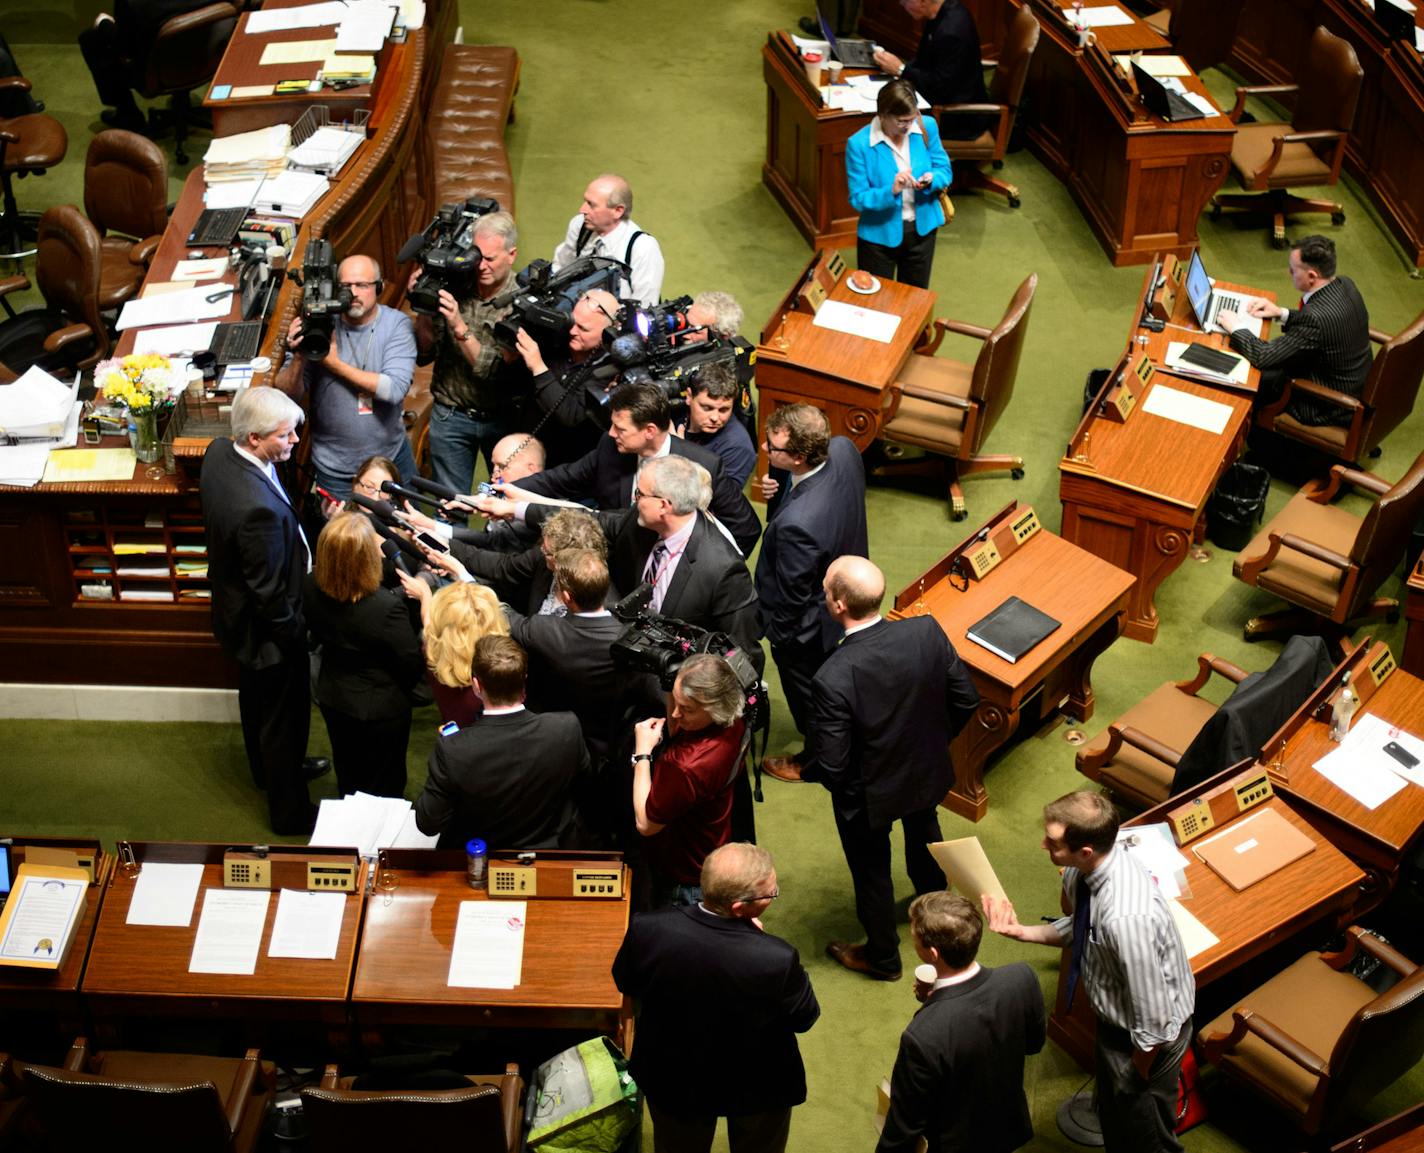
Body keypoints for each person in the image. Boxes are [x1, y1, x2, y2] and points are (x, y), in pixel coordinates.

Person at [983, 790, 1194, 1153]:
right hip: (1117, 1022)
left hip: (1146, 1041)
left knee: (1144, 1137)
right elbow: (1081, 928)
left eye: (1052, 843)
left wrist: (1135, 1075)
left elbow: (1155, 1022)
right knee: (1115, 1121)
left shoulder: (1127, 919)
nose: (1042, 845)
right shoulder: (1084, 871)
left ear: (1084, 851)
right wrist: (1021, 932)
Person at [805, 556, 979, 981]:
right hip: (924, 770)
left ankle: (883, 958)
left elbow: (831, 763)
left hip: (869, 795)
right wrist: (932, 744)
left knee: (871, 873)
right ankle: (938, 913)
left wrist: (855, 787)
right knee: (925, 836)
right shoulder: (926, 630)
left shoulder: (833, 676)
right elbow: (966, 700)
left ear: (839, 605)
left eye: (827, 588)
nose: (824, 593)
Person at [612, 843, 820, 1153]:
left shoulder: (648, 927)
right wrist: (757, 939)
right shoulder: (775, 957)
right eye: (771, 893)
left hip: (674, 1074)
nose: (774, 894)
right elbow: (805, 1017)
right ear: (739, 908)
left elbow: (625, 980)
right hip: (757, 1084)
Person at [199, 387, 316, 835]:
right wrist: (296, 635)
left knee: (255, 704)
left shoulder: (217, 452)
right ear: (252, 438)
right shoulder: (256, 511)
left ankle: (266, 773)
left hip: (236, 617)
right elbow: (269, 596)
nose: (293, 443)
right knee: (282, 721)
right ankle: (290, 811)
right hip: (268, 633)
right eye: (285, 437)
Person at [511, 380, 762, 556]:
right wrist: (504, 489)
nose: (611, 433)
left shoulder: (701, 465)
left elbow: (746, 528)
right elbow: (563, 478)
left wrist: (710, 569)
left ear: (649, 431)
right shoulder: (610, 447)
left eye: (621, 429)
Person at [876, 892, 1046, 1153]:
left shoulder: (922, 1036)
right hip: (1008, 1126)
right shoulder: (1022, 978)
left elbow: (905, 1126)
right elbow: (1033, 1044)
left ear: (933, 953)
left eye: (914, 939)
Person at [754, 404, 868, 781]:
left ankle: (814, 761)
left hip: (808, 628)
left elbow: (794, 595)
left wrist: (781, 638)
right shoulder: (844, 449)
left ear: (800, 456)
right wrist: (780, 486)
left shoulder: (797, 525)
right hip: (845, 583)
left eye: (774, 448)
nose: (767, 450)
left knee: (810, 698)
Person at [414, 635, 589, 849]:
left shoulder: (453, 749)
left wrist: (456, 750)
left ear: (476, 685)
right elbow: (586, 792)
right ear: (524, 679)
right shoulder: (566, 728)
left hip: (480, 856)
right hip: (549, 850)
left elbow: (428, 822)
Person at [274, 253, 418, 499]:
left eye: (362, 285)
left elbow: (393, 389)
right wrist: (300, 355)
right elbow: (286, 395)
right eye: (345, 286)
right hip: (337, 470)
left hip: (390, 459)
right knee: (345, 538)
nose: (352, 293)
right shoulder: (319, 322)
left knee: (405, 530)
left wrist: (332, 363)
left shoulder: (396, 325)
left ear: (379, 287)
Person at [304, 512, 425, 798]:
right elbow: (411, 662)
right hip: (381, 709)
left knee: (349, 775)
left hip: (334, 696)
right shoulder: (385, 609)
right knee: (386, 781)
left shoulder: (309, 584)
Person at [411, 210, 525, 492]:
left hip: (502, 418)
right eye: (477, 256)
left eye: (490, 259)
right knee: (449, 506)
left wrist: (458, 325)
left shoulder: (521, 302)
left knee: (506, 502)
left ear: (511, 255)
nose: (481, 266)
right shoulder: (455, 286)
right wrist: (423, 307)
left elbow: (492, 368)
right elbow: (425, 353)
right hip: (451, 413)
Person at [1217, 234, 1372, 427]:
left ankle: (1253, 436)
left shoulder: (1315, 319)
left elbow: (1262, 356)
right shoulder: (1345, 284)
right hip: (1352, 383)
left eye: (1293, 270)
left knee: (1247, 377)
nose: (1289, 272)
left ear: (1312, 276)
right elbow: (1324, 327)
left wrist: (1235, 326)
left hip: (1327, 404)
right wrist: (1280, 313)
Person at [632, 653, 749, 906]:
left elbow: (645, 823)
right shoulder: (736, 717)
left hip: (684, 879)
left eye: (687, 709)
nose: (674, 714)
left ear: (715, 707)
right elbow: (678, 725)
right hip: (711, 846)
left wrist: (641, 754)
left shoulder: (685, 765)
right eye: (675, 697)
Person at [505, 547, 626, 764]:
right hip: (611, 739)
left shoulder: (546, 630)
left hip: (557, 738)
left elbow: (508, 618)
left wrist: (465, 577)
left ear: (567, 597)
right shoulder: (628, 633)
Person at [845, 78, 952, 290]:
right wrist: (891, 191)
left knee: (914, 298)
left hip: (922, 232)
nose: (907, 126)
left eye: (911, 119)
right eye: (901, 121)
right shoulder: (858, 144)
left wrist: (932, 179)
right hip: (878, 237)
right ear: (883, 115)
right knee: (876, 302)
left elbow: (944, 170)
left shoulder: (925, 126)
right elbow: (858, 199)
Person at [513, 288, 618, 464]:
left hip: (566, 466)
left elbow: (572, 415)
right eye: (572, 322)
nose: (572, 331)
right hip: (525, 451)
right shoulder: (557, 339)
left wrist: (538, 366)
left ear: (608, 333)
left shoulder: (610, 370)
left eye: (583, 328)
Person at [871, 1, 992, 139]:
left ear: (922, 1)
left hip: (956, 116)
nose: (902, 5)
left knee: (886, 118)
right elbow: (923, 60)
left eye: (905, 2)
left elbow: (941, 88)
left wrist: (901, 69)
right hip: (942, 97)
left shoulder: (951, 31)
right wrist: (897, 69)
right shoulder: (938, 15)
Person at [78, 1, 206, 131]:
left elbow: (125, 50)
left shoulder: (130, 3)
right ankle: (183, 96)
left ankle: (128, 114)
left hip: (155, 73)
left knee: (89, 39)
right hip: (207, 62)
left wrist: (104, 24)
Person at [405, 580, 509, 728]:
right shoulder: (506, 668)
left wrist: (425, 596)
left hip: (455, 741)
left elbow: (429, 626)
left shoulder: (433, 653)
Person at [552, 173, 665, 305]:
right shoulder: (579, 225)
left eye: (591, 204)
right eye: (585, 201)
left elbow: (645, 306)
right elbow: (561, 266)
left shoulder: (643, 247)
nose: (582, 210)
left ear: (618, 211)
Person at [679, 361, 757, 489]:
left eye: (724, 410)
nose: (715, 418)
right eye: (707, 408)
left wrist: (680, 455)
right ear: (689, 396)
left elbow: (723, 502)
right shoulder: (676, 416)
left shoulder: (738, 447)